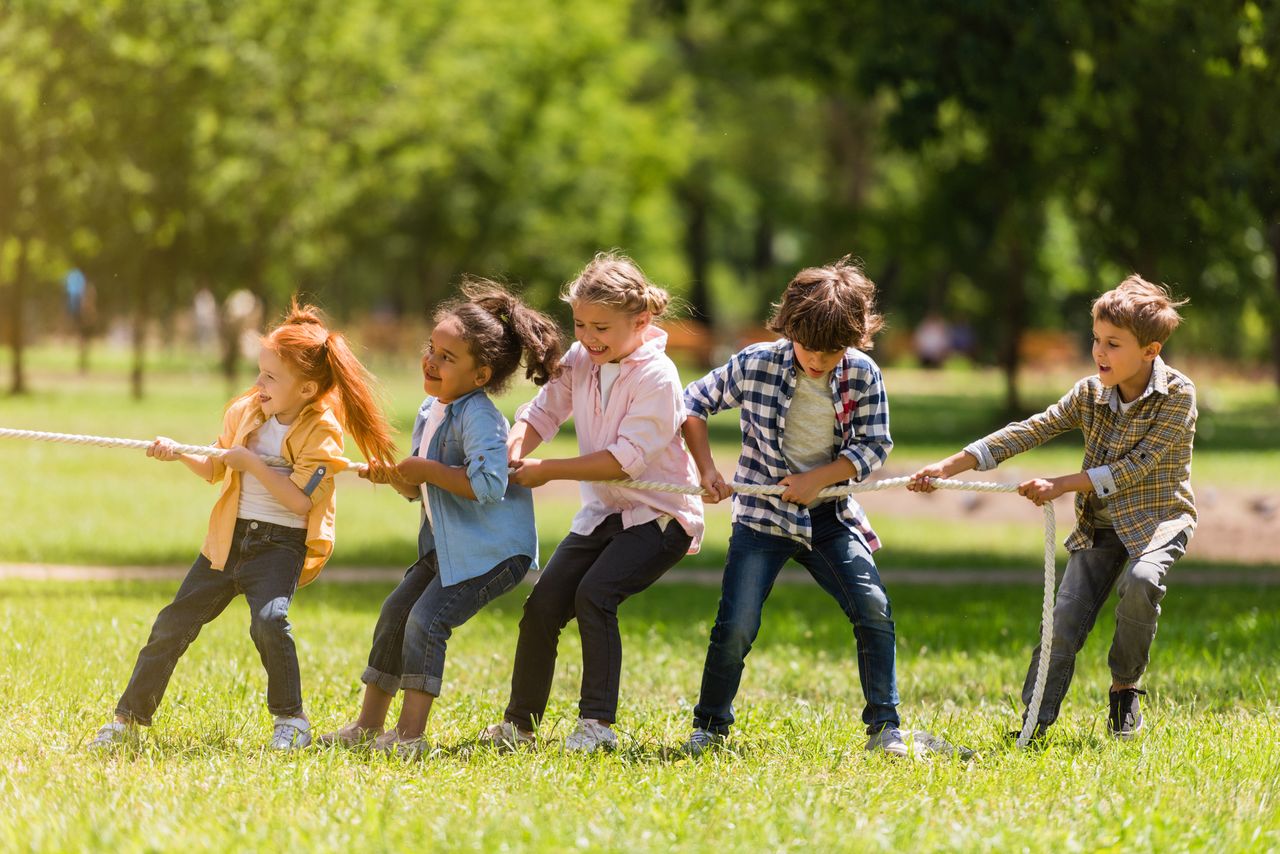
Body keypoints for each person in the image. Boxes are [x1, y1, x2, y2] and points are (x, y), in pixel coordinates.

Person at [89, 301, 397, 751]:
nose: (258, 384)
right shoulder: (248, 412)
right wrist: (178, 453)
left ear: (308, 388)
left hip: (279, 546)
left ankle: (291, 720)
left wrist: (251, 462)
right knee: (172, 624)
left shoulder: (324, 433)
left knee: (269, 622)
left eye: (270, 377)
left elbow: (297, 499)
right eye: (260, 372)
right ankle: (126, 720)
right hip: (228, 540)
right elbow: (216, 467)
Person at [909, 275, 1195, 742]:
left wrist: (1061, 484)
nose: (1099, 352)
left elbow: (1135, 468)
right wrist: (952, 464)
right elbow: (1031, 429)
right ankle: (1033, 724)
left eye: (1113, 344)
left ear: (1151, 350)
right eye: (1096, 340)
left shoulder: (1178, 396)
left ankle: (1125, 689)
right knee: (1061, 623)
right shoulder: (1089, 393)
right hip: (1100, 524)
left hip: (1159, 518)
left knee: (1142, 581)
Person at [319, 281, 563, 757]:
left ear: (480, 375)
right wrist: (392, 476)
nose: (431, 361)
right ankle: (368, 726)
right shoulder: (431, 408)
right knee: (396, 613)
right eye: (431, 349)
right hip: (445, 546)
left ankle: (410, 736)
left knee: (427, 621)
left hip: (493, 551)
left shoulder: (481, 417)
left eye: (447, 357)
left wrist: (427, 469)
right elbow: (417, 489)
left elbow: (489, 485)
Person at [680, 256, 908, 757]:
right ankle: (710, 725)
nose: (819, 359)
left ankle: (885, 727)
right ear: (789, 327)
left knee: (872, 607)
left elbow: (874, 446)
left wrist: (818, 481)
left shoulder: (863, 374)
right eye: (809, 347)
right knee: (736, 624)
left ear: (855, 340)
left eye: (833, 350)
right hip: (762, 520)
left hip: (830, 516)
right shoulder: (756, 362)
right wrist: (708, 472)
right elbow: (691, 404)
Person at [479, 253, 704, 753]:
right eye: (580, 324)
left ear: (641, 322)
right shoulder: (583, 360)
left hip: (660, 518)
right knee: (542, 607)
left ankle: (597, 726)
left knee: (595, 596)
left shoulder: (659, 377)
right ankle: (519, 726)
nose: (588, 336)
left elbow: (625, 461)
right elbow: (541, 414)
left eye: (601, 327)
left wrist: (548, 471)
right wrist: (514, 447)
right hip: (603, 513)